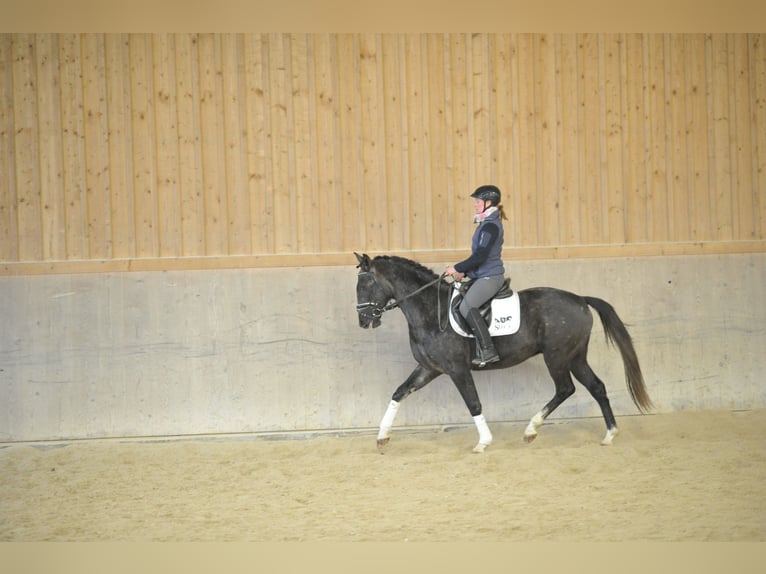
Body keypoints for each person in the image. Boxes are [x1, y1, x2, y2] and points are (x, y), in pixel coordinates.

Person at [445, 184, 507, 366]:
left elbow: (481, 256)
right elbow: (478, 258)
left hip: (491, 277)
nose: (475, 204)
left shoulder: (490, 227)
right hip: (481, 274)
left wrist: (456, 267)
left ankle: (488, 350)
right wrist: (464, 271)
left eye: (478, 201)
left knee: (466, 307)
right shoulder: (485, 224)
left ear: (489, 202)